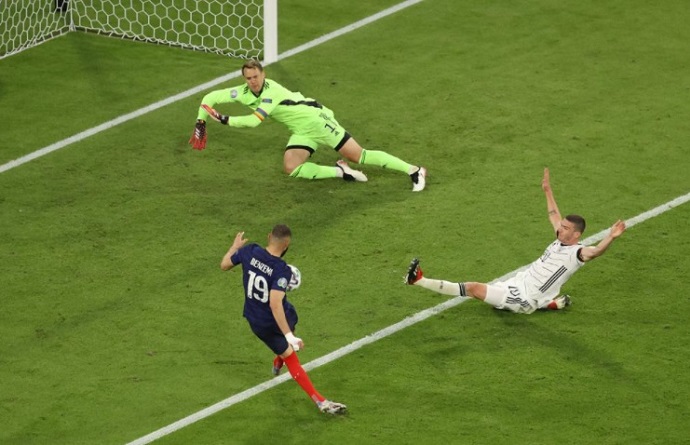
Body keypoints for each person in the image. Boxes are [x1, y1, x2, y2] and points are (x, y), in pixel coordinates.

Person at [404, 168, 627, 313]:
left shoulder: (577, 253)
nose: (560, 228)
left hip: (525, 297)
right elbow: (553, 215)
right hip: (517, 283)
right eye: (562, 225)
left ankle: (419, 280)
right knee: (494, 303)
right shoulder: (560, 238)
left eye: (566, 228)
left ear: (576, 235)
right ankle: (550, 303)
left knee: (473, 288)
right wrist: (547, 190)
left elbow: (596, 252)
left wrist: (610, 237)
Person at [189, 59, 427, 191]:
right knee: (291, 167)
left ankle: (414, 170)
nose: (252, 82)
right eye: (248, 78)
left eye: (256, 77)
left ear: (263, 74)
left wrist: (225, 119)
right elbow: (210, 98)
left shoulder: (272, 91)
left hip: (317, 121)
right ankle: (341, 171)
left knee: (359, 155)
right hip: (302, 130)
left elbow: (253, 122)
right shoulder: (241, 92)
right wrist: (201, 120)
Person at [220, 224, 347, 414]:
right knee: (291, 355)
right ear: (286, 245)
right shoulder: (281, 269)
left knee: (291, 314)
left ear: (269, 236)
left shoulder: (249, 250)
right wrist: (289, 336)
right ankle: (321, 401)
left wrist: (234, 247)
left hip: (254, 317)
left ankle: (279, 359)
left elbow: (224, 265)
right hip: (269, 321)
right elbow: (275, 304)